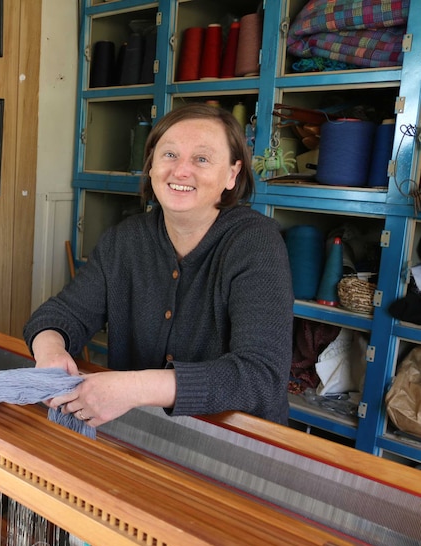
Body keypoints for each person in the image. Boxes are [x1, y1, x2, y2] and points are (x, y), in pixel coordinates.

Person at [24, 103, 294, 426]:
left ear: (232, 174)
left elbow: (260, 376)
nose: (181, 171)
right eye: (169, 155)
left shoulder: (256, 244)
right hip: (147, 436)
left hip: (237, 448)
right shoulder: (124, 242)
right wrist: (50, 351)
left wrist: (134, 388)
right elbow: (61, 315)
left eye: (202, 159)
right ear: (151, 166)